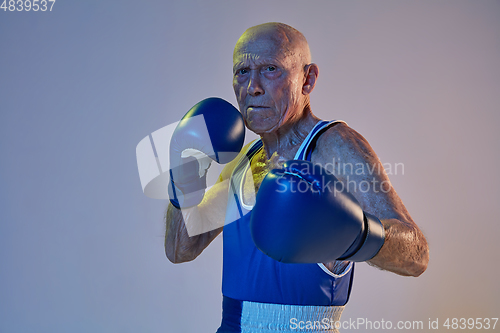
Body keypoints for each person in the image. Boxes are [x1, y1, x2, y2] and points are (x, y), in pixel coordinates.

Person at [165, 22, 429, 332]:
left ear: (308, 79)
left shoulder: (334, 146)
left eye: (271, 69)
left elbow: (418, 256)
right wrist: (183, 175)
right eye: (242, 72)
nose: (253, 87)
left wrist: (355, 235)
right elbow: (181, 249)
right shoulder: (244, 160)